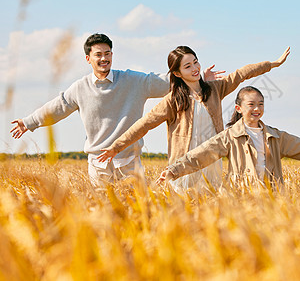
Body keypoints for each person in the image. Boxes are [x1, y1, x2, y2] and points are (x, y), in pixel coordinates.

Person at [10, 33, 223, 186]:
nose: (104, 58)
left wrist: (199, 77)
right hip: (98, 163)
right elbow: (58, 106)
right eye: (99, 54)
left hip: (130, 161)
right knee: (102, 217)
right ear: (88, 58)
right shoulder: (80, 88)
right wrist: (29, 122)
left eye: (108, 53)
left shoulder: (132, 80)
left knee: (137, 215)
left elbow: (166, 80)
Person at [97, 46, 290, 191]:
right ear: (177, 73)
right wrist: (116, 147)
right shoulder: (173, 100)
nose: (195, 68)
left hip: (210, 161)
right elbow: (145, 123)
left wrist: (272, 64)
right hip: (183, 164)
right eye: (188, 66)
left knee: (210, 208)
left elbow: (241, 74)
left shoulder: (214, 89)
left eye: (196, 62)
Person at [158, 86, 300, 190]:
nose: (257, 109)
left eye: (260, 104)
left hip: (272, 196)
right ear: (239, 108)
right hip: (241, 197)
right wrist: (174, 171)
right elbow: (200, 155)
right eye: (251, 104)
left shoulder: (276, 137)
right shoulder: (229, 137)